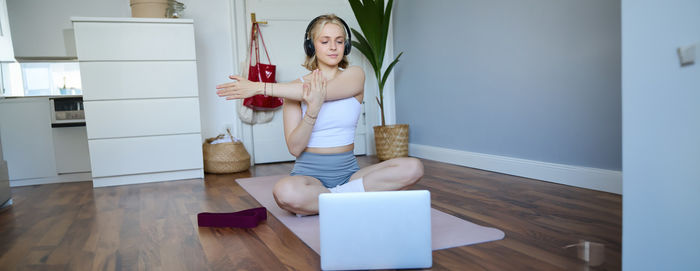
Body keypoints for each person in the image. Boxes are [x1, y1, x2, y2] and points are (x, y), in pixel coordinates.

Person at [216, 14, 423, 215]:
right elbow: (295, 149)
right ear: (311, 46)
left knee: (413, 167)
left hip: (351, 174)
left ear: (346, 46)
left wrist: (260, 87)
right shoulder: (291, 90)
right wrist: (312, 112)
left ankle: (329, 200)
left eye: (339, 41)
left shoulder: (355, 75)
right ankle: (352, 197)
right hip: (309, 177)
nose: (333, 47)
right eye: (325, 41)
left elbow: (322, 92)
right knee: (285, 192)